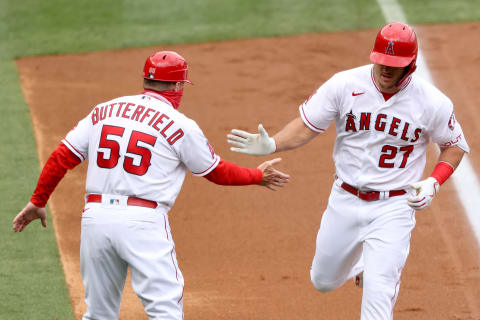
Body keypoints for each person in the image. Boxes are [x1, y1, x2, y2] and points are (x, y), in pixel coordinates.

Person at [13, 50, 290, 320]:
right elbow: (215, 171)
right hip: (142, 223)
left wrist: (38, 201)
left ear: (146, 79)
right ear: (179, 85)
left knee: (98, 314)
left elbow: (62, 157)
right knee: (165, 311)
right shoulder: (181, 124)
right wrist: (257, 176)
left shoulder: (103, 110)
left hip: (95, 220)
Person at [227, 22, 469, 319]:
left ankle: (377, 269)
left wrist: (434, 181)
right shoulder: (344, 84)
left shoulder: (432, 102)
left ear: (411, 66)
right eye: (381, 61)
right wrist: (272, 144)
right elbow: (306, 127)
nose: (385, 69)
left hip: (394, 207)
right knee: (323, 281)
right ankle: (360, 264)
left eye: (394, 65)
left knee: (378, 297)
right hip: (345, 198)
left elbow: (454, 146)